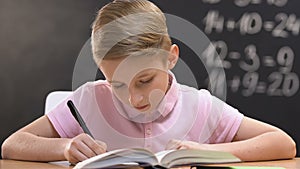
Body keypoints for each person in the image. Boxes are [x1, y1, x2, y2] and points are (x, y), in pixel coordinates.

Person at [1, 0, 296, 164]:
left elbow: (283, 144)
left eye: (144, 80)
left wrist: (208, 153)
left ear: (171, 57)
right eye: (116, 84)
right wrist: (64, 148)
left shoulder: (201, 106)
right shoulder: (90, 100)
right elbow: (12, 145)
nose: (133, 99)